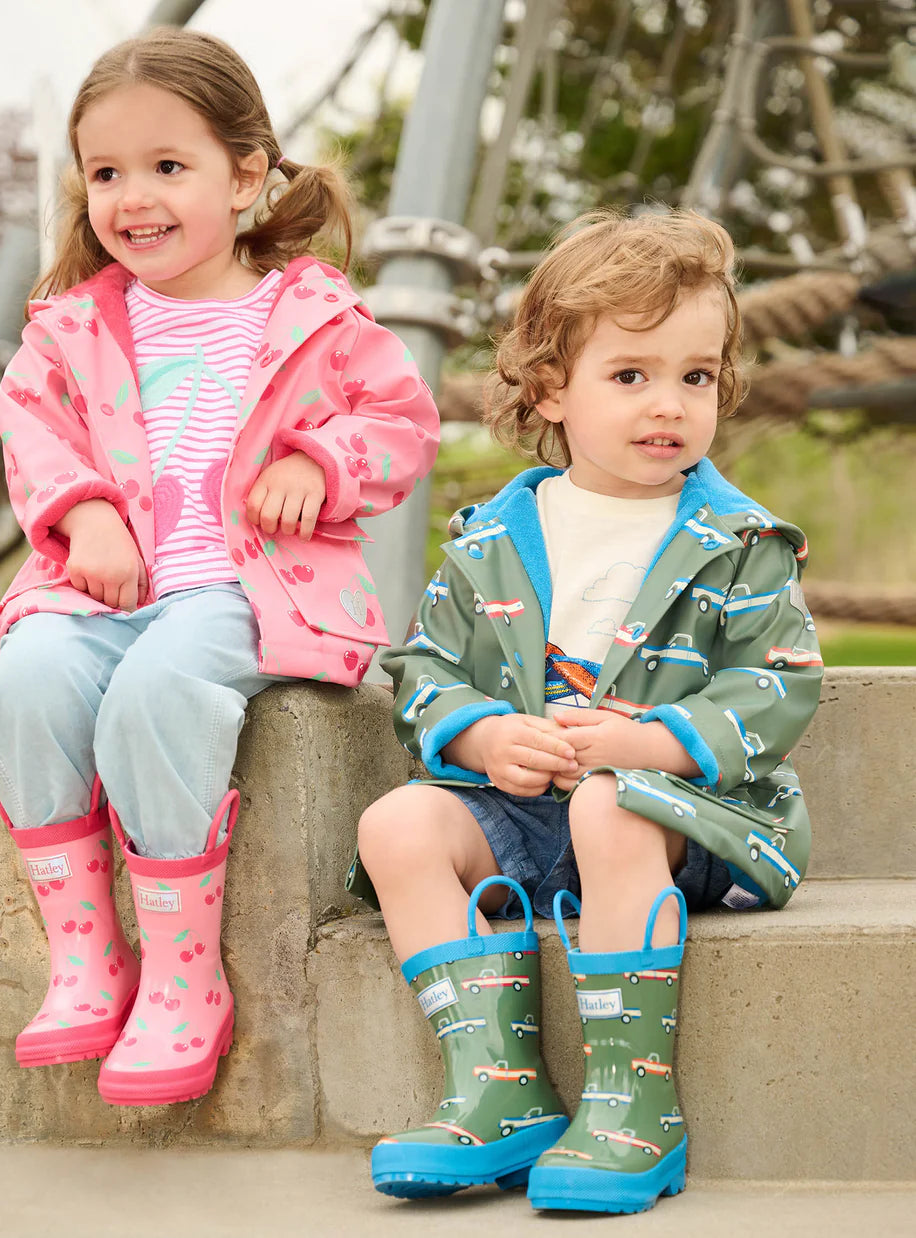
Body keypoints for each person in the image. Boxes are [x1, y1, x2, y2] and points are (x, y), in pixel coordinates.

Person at [0, 27, 439, 1108]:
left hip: (250, 590)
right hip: (98, 586)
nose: (132, 197)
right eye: (105, 172)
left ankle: (184, 973)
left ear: (245, 175)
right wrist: (85, 513)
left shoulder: (310, 316)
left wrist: (321, 461)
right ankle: (87, 950)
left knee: (156, 692)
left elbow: (400, 424)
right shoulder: (71, 330)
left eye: (167, 166)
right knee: (28, 680)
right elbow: (33, 430)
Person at [352, 208, 822, 1214]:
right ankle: (494, 1085)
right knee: (396, 821)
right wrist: (480, 732)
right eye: (630, 375)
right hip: (526, 808)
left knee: (609, 802)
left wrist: (644, 741)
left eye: (693, 376)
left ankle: (631, 1102)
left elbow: (777, 678)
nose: (668, 404)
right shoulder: (490, 541)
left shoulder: (735, 540)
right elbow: (425, 668)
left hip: (680, 816)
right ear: (550, 389)